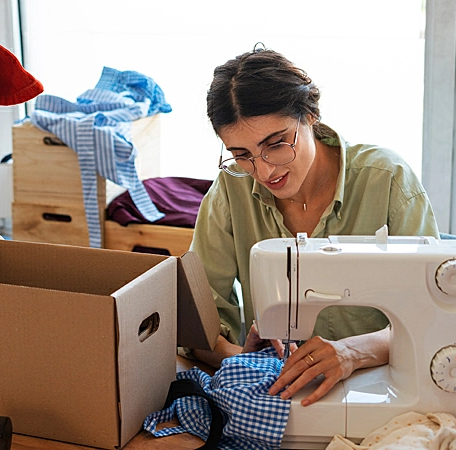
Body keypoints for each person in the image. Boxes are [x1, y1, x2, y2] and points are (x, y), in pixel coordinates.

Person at [188, 47, 440, 406]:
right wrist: (237, 356)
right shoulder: (232, 189)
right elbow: (199, 319)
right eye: (242, 155)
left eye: (275, 144)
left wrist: (352, 352)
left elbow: (430, 314)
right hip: (281, 396)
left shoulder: (388, 182)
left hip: (382, 390)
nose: (264, 171)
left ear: (310, 114)